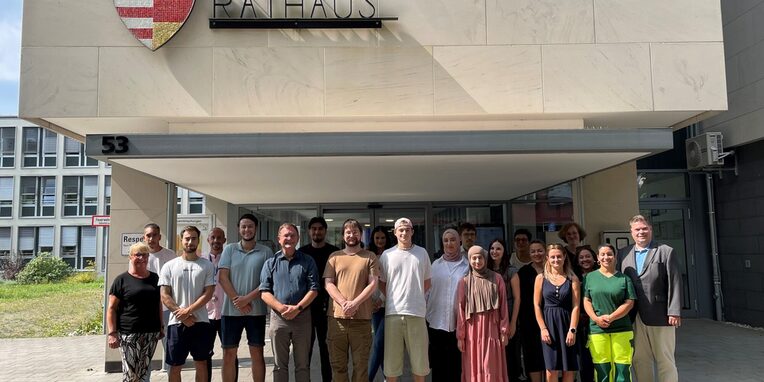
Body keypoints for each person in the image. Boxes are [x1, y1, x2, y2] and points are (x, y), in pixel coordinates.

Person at [619, 215, 682, 382]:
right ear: (631, 232)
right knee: (639, 359)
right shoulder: (623, 253)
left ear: (651, 230)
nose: (641, 232)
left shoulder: (665, 251)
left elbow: (675, 281)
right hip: (633, 315)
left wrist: (674, 311)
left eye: (644, 228)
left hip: (660, 314)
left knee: (665, 359)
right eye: (637, 229)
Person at [259, 223, 319, 382]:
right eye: (286, 235)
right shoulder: (270, 263)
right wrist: (282, 308)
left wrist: (298, 308)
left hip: (303, 318)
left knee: (302, 365)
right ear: (279, 239)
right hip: (279, 319)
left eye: (293, 235)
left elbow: (314, 289)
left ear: (298, 238)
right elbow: (264, 292)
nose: (289, 238)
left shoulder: (308, 261)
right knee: (279, 365)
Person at [218, 214, 273, 382]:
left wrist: (247, 299)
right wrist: (238, 301)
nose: (247, 230)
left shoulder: (265, 252)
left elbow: (267, 281)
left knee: (257, 353)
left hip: (256, 311)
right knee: (229, 354)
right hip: (230, 311)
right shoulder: (229, 249)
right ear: (238, 229)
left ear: (256, 228)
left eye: (250, 226)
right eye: (243, 226)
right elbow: (223, 277)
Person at [324, 219, 380, 382]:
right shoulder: (334, 256)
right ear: (343, 235)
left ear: (360, 234)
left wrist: (354, 304)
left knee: (361, 366)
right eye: (348, 232)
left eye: (355, 232)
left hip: (361, 320)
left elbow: (373, 284)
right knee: (338, 365)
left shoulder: (369, 256)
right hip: (337, 320)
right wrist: (344, 303)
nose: (351, 235)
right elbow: (328, 283)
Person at [158, 226, 216, 382]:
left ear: (198, 240)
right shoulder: (169, 266)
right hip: (176, 323)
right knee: (175, 366)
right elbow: (164, 295)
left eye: (194, 238)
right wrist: (182, 315)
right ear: (181, 240)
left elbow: (208, 293)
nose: (190, 242)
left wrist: (188, 311)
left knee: (202, 363)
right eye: (187, 238)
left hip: (201, 322)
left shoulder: (207, 265)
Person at [378, 217, 432, 382]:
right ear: (395, 232)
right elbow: (381, 283)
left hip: (416, 313)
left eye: (407, 229)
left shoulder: (422, 253)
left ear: (412, 232)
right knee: (392, 365)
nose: (404, 232)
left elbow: (427, 282)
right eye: (400, 229)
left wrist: (412, 296)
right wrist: (396, 298)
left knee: (419, 363)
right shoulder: (387, 255)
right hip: (393, 313)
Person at [107, 242, 163, 382]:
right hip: (128, 333)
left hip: (151, 332)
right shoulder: (121, 280)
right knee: (131, 374)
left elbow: (159, 304)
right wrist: (112, 333)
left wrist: (161, 326)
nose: (141, 258)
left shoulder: (155, 278)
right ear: (130, 257)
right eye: (138, 254)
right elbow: (111, 308)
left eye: (145, 254)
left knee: (144, 371)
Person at [457, 245, 510, 382]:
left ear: (485, 259)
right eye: (473, 258)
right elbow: (461, 310)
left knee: (491, 365)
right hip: (472, 331)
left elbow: (503, 306)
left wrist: (504, 332)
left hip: (492, 329)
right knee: (473, 365)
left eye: (480, 257)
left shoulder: (497, 278)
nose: (477, 261)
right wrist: (460, 337)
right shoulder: (464, 282)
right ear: (469, 260)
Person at [584, 244, 636, 382]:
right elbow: (586, 301)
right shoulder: (590, 277)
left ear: (615, 257)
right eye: (603, 254)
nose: (606, 257)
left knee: (622, 367)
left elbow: (629, 302)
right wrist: (596, 318)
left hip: (622, 329)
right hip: (597, 329)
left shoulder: (624, 278)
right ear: (598, 258)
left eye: (609, 254)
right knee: (602, 368)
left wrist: (612, 317)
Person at [298, 216, 340, 382]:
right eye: (314, 229)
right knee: (305, 350)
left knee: (326, 349)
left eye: (320, 229)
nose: (317, 232)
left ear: (325, 231)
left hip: (327, 307)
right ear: (309, 232)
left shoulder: (334, 252)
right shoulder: (301, 252)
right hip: (306, 308)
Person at [426, 228, 469, 382]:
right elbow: (427, 292)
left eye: (452, 239)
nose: (449, 243)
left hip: (459, 324)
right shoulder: (435, 265)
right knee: (438, 367)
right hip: (435, 323)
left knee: (456, 366)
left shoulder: (468, 266)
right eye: (446, 240)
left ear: (459, 242)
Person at [534, 243, 580, 382]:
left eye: (559, 256)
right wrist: (543, 328)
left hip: (567, 324)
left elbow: (576, 306)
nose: (556, 260)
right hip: (549, 325)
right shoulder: (541, 278)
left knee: (568, 368)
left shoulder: (573, 279)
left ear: (564, 257)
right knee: (551, 369)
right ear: (547, 258)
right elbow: (536, 305)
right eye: (552, 257)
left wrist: (572, 330)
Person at [200, 227, 235, 382]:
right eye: (213, 237)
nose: (216, 241)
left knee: (230, 353)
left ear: (224, 240)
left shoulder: (230, 260)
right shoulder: (200, 260)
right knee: (204, 354)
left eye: (219, 238)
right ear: (208, 240)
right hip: (205, 314)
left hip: (226, 313)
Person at [144, 222, 177, 371]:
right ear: (144, 237)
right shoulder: (140, 256)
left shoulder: (170, 255)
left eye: (154, 235)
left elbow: (175, 279)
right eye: (148, 235)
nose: (151, 239)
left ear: (159, 236)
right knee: (145, 347)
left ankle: (171, 374)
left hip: (166, 307)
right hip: (147, 308)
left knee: (170, 344)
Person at [488, 238, 522, 382]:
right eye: (492, 249)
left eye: (498, 249)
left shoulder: (511, 270)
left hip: (507, 314)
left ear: (504, 252)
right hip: (490, 318)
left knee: (510, 355)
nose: (494, 252)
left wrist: (513, 323)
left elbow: (517, 298)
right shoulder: (485, 270)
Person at [517, 239, 547, 382]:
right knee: (532, 355)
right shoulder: (523, 272)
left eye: (540, 250)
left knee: (548, 356)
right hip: (529, 320)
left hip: (549, 319)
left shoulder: (552, 270)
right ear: (529, 254)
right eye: (533, 251)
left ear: (545, 252)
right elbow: (519, 298)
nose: (537, 254)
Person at [367, 226, 393, 382]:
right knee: (380, 345)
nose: (380, 241)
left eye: (383, 238)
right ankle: (387, 378)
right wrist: (371, 301)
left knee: (377, 344)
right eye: (377, 238)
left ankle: (367, 378)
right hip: (373, 307)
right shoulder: (369, 255)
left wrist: (381, 299)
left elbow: (392, 281)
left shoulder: (391, 255)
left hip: (388, 305)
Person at [576, 245, 597, 382]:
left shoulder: (602, 274)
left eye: (588, 256)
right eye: (581, 257)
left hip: (598, 322)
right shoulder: (573, 277)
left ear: (594, 259)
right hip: (581, 325)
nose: (585, 259)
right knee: (585, 362)